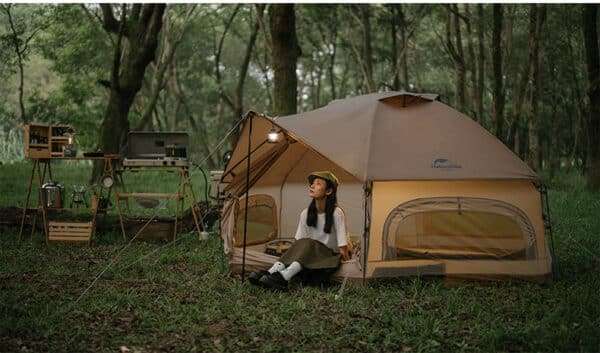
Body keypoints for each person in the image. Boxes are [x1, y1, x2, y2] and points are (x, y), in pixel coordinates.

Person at [248, 171, 350, 291]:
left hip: (328, 259)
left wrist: (349, 265)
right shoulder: (305, 213)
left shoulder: (336, 213)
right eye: (312, 183)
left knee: (308, 243)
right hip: (309, 258)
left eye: (318, 184)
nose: (312, 186)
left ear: (329, 191)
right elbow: (298, 242)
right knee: (302, 243)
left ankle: (284, 278)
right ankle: (271, 272)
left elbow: (343, 247)